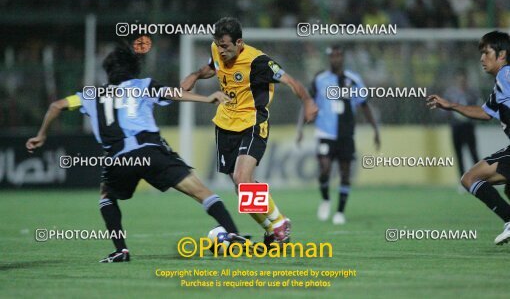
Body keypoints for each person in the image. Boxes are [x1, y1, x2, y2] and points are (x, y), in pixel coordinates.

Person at [26, 46, 241, 262]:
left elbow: (56, 106)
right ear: (133, 68)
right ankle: (233, 234)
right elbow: (173, 93)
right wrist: (207, 98)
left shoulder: (92, 94)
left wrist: (41, 135)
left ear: (108, 71)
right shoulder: (143, 85)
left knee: (107, 196)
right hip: (150, 150)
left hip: (119, 158)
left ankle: (121, 250)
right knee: (201, 192)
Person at [181, 17, 318, 245]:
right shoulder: (217, 49)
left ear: (240, 43)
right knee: (240, 188)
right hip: (225, 123)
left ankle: (279, 223)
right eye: (218, 44)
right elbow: (211, 67)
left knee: (242, 178)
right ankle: (271, 230)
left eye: (226, 46)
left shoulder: (258, 61)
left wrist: (307, 102)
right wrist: (195, 76)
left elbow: (290, 81)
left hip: (253, 121)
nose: (221, 50)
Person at [427, 30, 510, 245]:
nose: (482, 58)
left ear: (502, 55)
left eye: (486, 52)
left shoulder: (506, 74)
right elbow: (484, 113)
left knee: (470, 178)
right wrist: (452, 105)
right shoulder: (500, 84)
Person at [297, 45, 380, 225]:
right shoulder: (320, 79)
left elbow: (364, 105)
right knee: (325, 169)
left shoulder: (353, 79)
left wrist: (375, 130)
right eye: (332, 56)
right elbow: (307, 102)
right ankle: (326, 198)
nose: (335, 59)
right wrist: (300, 129)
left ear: (342, 58)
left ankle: (340, 212)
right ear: (328, 58)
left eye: (338, 56)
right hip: (325, 132)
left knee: (345, 174)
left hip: (346, 134)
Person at [445, 72, 480, 179]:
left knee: (473, 153)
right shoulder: (450, 94)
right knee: (458, 154)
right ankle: (463, 179)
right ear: (456, 81)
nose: (461, 82)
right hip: (456, 126)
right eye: (459, 80)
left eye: (463, 80)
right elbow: (443, 110)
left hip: (468, 125)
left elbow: (478, 107)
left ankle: (478, 178)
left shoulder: (472, 93)